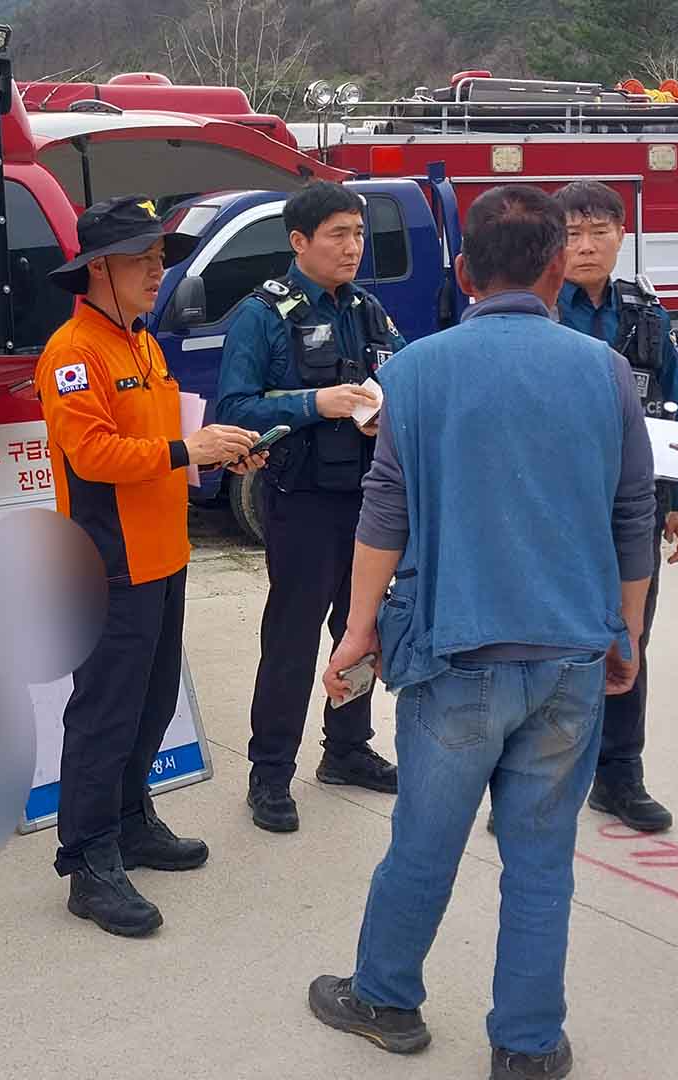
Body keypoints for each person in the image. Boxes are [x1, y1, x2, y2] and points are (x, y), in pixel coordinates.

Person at [306, 184, 655, 1080]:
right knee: (541, 861)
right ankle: (528, 1045)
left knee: (423, 842)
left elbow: (384, 510)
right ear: (553, 270)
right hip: (573, 652)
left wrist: (357, 631)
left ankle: (386, 1000)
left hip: (455, 655)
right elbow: (632, 515)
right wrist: (630, 632)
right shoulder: (603, 369)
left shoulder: (415, 370)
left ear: (462, 274)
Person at [35, 194, 265, 938]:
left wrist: (221, 445)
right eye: (143, 260)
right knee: (103, 714)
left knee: (151, 705)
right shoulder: (72, 355)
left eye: (160, 258)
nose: (157, 272)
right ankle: (88, 860)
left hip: (164, 554)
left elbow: (169, 436)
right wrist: (184, 452)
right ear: (98, 268)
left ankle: (132, 822)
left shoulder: (143, 343)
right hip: (109, 560)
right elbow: (93, 455)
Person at [216, 181, 406, 834]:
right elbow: (233, 409)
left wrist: (386, 414)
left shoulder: (369, 311)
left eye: (358, 234)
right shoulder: (262, 315)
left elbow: (401, 377)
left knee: (361, 631)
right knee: (291, 642)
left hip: (370, 505)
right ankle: (269, 774)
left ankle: (347, 749)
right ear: (299, 242)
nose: (353, 247)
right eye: (338, 235)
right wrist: (312, 403)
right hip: (301, 505)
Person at [552, 179, 678, 833]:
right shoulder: (533, 308)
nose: (585, 246)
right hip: (550, 508)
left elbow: (676, 405)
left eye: (598, 232)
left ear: (621, 235)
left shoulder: (645, 311)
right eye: (573, 233)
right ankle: (538, 784)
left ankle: (620, 776)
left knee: (629, 640)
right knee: (547, 645)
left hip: (634, 507)